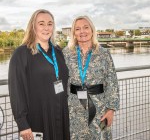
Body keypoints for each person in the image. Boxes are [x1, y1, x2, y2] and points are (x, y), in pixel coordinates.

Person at [8, 9, 70, 140]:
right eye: (41, 23)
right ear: (33, 26)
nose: (46, 28)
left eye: (50, 23)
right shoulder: (21, 54)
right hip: (37, 117)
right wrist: (22, 123)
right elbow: (16, 90)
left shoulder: (58, 52)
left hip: (61, 116)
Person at [63, 16, 120, 140]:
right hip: (74, 109)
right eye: (77, 29)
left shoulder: (104, 53)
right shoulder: (66, 53)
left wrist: (111, 110)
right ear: (73, 33)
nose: (82, 31)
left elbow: (112, 82)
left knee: (101, 136)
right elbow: (63, 80)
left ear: (92, 30)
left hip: (100, 109)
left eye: (85, 27)